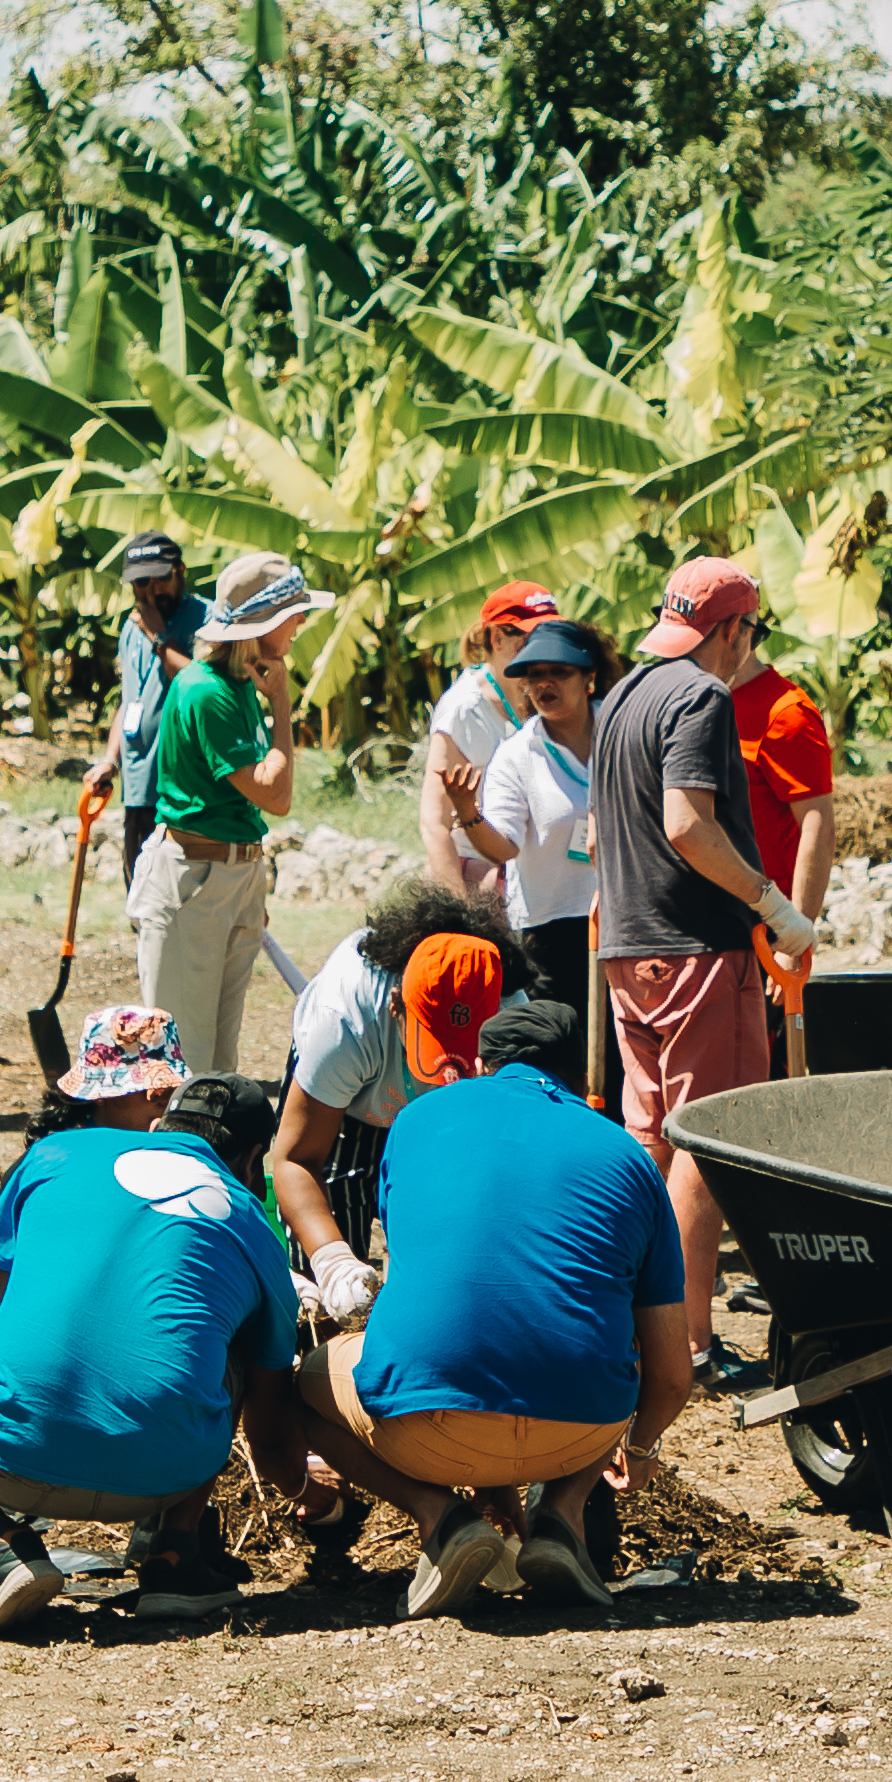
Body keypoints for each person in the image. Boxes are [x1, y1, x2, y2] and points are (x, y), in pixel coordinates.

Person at [0, 1006, 295, 1637]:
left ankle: (2, 1543)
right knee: (222, 1348)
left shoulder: (53, 1155)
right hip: (165, 1473)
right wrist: (312, 1497)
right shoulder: (252, 1220)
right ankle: (176, 1554)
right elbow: (269, 1407)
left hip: (6, 1454)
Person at [320, 993, 696, 1617]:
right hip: (578, 1433)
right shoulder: (629, 1156)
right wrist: (645, 1446)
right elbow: (672, 1375)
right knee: (605, 1334)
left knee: (304, 1385)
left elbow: (458, 1304)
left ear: (483, 1064)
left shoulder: (416, 1120)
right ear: (582, 1075)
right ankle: (564, 1511)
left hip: (425, 1429)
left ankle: (441, 1517)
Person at [586, 558, 819, 1362]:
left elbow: (600, 835)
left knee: (649, 1140)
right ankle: (683, 1338)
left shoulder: (618, 697)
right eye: (747, 632)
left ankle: (631, 1324)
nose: (744, 648)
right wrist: (772, 903)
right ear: (729, 629)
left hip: (628, 948)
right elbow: (688, 826)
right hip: (696, 948)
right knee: (706, 1142)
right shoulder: (701, 695)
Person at [134, 549, 325, 1076]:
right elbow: (275, 796)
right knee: (182, 1057)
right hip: (195, 879)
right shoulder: (209, 691)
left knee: (219, 1055)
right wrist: (283, 705)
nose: (301, 624)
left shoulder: (239, 684)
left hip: (230, 872)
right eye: (293, 614)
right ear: (261, 624)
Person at [268, 880, 509, 1289]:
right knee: (337, 1241)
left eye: (462, 1051)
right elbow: (295, 1160)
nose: (443, 1072)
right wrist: (333, 1262)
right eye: (433, 1045)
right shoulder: (344, 1019)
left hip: (439, 1117)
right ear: (397, 1004)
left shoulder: (509, 1014)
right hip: (349, 1107)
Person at [473, 617, 614, 1020]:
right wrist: (469, 816)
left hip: (628, 922)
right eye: (535, 675)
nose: (544, 684)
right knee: (562, 1062)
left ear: (589, 676)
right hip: (551, 933)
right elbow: (503, 846)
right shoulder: (517, 755)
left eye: (559, 672)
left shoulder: (623, 727)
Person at [420, 582, 565, 901]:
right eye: (531, 636)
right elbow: (434, 822)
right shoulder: (463, 709)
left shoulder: (550, 695)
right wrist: (458, 914)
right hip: (482, 879)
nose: (545, 646)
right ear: (498, 639)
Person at [106, 531, 210, 884]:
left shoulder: (208, 621)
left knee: (178, 900)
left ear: (181, 570)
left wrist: (160, 638)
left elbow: (206, 687)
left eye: (161, 579)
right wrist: (110, 760)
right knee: (140, 896)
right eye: (140, 583)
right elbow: (129, 701)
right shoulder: (130, 627)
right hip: (138, 786)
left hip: (184, 791)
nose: (151, 591)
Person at [734, 640, 839, 907]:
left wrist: (797, 933)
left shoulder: (786, 714)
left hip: (765, 927)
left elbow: (819, 828)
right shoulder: (696, 702)